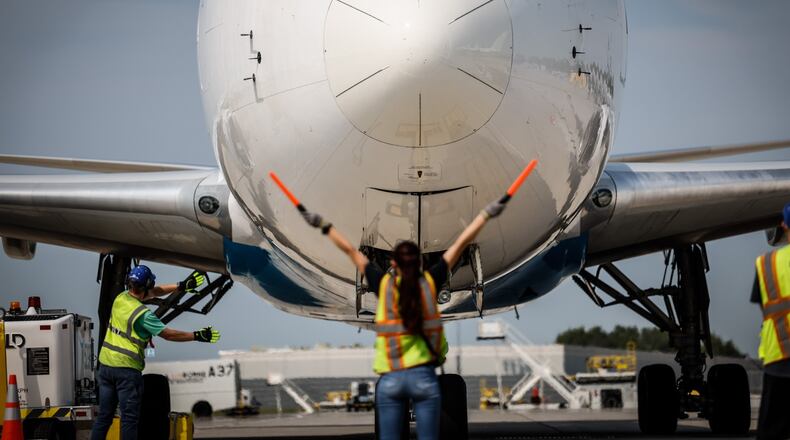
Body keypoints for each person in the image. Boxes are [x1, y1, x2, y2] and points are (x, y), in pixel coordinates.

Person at [299, 196, 510, 440]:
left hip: (392, 380)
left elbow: (349, 250)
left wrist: (323, 225)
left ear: (393, 264)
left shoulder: (385, 287)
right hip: (423, 378)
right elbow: (461, 243)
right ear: (420, 263)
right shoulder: (429, 285)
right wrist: (485, 215)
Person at [91, 265, 221, 440]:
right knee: (129, 420)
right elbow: (169, 335)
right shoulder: (143, 315)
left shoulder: (120, 298)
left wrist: (181, 286)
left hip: (106, 367)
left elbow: (153, 292)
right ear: (147, 285)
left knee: (104, 417)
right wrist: (197, 336)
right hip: (126, 371)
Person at [752, 203, 790, 440]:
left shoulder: (767, 264)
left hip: (779, 355)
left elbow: (762, 305)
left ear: (783, 225)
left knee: (771, 431)